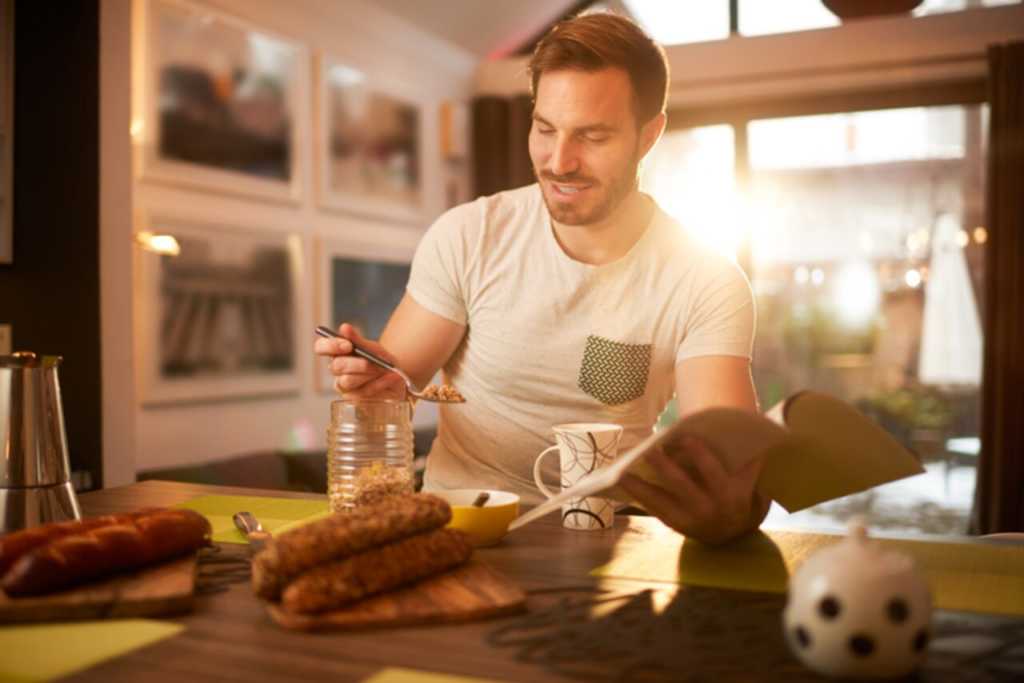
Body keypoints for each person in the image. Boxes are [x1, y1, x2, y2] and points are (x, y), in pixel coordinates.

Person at [315, 12, 769, 545]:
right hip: (461, 533)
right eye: (545, 129)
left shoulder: (706, 281)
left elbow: (725, 465)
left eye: (592, 136)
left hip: (606, 542)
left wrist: (731, 504)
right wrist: (375, 385)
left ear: (649, 135)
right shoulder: (469, 235)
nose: (559, 161)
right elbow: (391, 391)